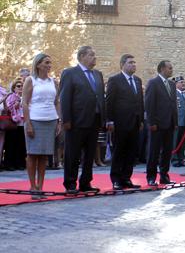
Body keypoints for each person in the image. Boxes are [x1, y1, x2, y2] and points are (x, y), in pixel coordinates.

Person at [59, 46, 105, 194]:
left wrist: (104, 119)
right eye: (91, 55)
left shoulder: (98, 74)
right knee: (73, 153)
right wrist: (66, 119)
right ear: (82, 56)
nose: (94, 58)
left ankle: (86, 182)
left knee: (90, 153)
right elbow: (65, 97)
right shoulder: (70, 73)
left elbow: (101, 98)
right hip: (76, 121)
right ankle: (70, 183)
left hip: (94, 120)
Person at [21, 54, 61, 198]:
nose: (49, 65)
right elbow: (24, 102)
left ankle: (41, 186)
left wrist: (59, 120)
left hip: (50, 120)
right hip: (35, 119)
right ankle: (33, 187)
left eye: (50, 63)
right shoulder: (30, 80)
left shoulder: (53, 82)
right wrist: (28, 123)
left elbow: (57, 101)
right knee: (32, 154)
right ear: (38, 65)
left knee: (44, 155)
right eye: (46, 63)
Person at [105, 54, 144, 190]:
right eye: (130, 62)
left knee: (131, 152)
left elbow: (140, 101)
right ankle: (116, 179)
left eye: (134, 62)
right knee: (119, 151)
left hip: (135, 122)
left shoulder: (138, 81)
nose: (133, 65)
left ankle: (126, 178)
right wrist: (110, 120)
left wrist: (141, 120)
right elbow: (109, 102)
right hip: (120, 123)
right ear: (122, 64)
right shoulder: (115, 80)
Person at [144, 60, 178, 186]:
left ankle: (164, 176)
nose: (171, 70)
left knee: (167, 152)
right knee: (154, 151)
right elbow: (149, 104)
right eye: (169, 68)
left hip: (169, 123)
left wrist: (175, 121)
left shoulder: (172, 84)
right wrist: (151, 122)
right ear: (162, 69)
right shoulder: (153, 83)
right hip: (157, 124)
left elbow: (173, 104)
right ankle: (151, 177)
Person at [4, 79, 27, 171]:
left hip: (23, 123)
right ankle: (9, 164)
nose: (20, 88)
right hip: (14, 123)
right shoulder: (11, 96)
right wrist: (15, 105)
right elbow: (8, 108)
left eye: (22, 86)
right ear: (13, 88)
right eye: (18, 86)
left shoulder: (25, 97)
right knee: (11, 144)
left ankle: (20, 163)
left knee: (21, 144)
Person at [172, 76, 185, 168]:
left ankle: (181, 159)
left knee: (182, 142)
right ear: (176, 84)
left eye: (184, 82)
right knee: (175, 141)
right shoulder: (174, 94)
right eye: (181, 82)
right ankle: (174, 159)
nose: (183, 84)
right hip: (177, 122)